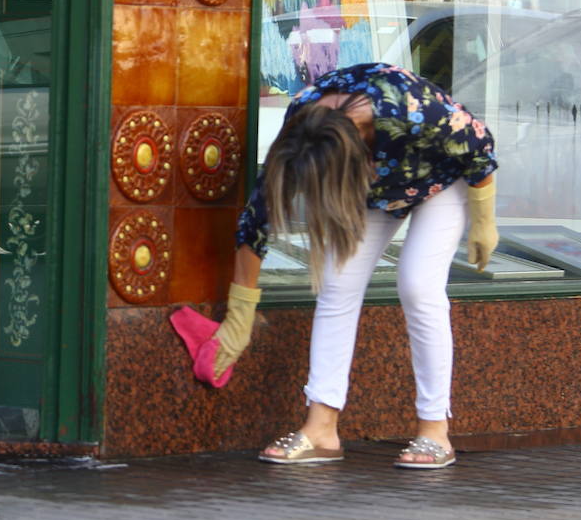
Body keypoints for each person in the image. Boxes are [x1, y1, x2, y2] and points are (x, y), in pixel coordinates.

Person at [210, 63, 498, 469]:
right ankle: (321, 428)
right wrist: (240, 313)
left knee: (418, 285)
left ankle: (435, 431)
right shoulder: (304, 122)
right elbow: (259, 215)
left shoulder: (410, 109)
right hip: (372, 189)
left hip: (438, 179)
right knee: (336, 284)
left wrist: (483, 217)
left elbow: (480, 143)